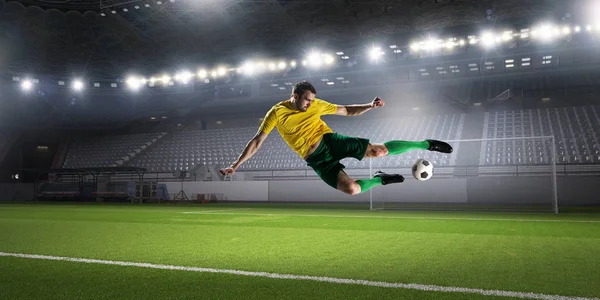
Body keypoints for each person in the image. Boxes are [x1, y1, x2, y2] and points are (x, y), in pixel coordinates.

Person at [220, 80, 453, 195]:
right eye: (306, 100)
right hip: (316, 159)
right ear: (294, 96)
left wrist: (370, 106)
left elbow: (347, 110)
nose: (310, 104)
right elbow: (258, 140)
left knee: (378, 151)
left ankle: (427, 143)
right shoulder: (277, 113)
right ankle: (381, 179)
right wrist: (236, 165)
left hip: (329, 140)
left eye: (312, 100)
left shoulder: (316, 105)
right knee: (351, 189)